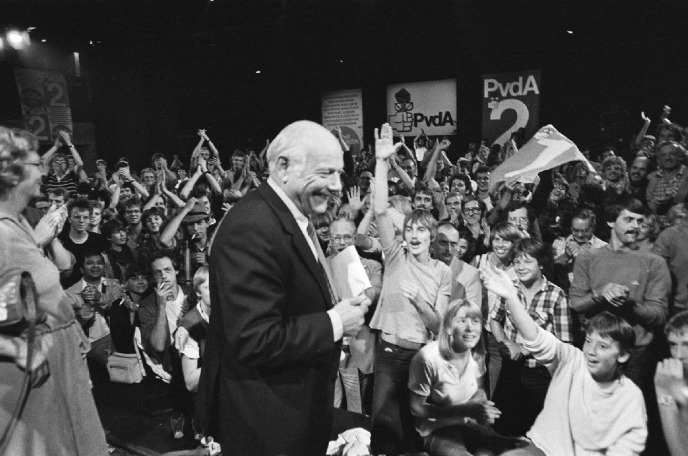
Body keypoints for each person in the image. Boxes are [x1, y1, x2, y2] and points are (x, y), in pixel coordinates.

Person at [198, 120, 370, 456]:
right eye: (326, 173)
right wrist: (335, 323)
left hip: (291, 415)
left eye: (339, 173)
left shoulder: (291, 219)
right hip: (267, 427)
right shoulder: (252, 227)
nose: (337, 185)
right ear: (282, 167)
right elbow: (253, 339)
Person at [0, 126, 108, 454]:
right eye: (37, 164)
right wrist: (18, 350)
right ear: (10, 171)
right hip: (30, 381)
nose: (44, 172)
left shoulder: (16, 222)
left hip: (57, 368)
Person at [481, 262, 647, 456]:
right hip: (539, 449)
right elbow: (535, 336)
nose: (591, 351)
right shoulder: (572, 361)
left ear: (623, 355)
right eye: (588, 341)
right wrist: (510, 296)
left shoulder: (630, 398)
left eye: (603, 346)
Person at [369, 123, 452, 454]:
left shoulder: (442, 272)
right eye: (410, 230)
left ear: (432, 235)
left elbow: (439, 326)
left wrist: (420, 303)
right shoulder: (394, 256)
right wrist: (381, 161)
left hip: (420, 356)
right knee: (384, 428)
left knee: (415, 431)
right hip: (388, 354)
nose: (414, 235)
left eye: (421, 230)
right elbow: (378, 209)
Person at [408, 300, 519, 456]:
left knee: (518, 450)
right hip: (437, 430)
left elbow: (479, 391)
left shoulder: (477, 355)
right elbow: (418, 409)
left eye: (475, 321)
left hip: (470, 426)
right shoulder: (427, 358)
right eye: (462, 321)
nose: (470, 328)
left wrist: (482, 404)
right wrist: (466, 409)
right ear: (447, 327)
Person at [489, 239, 575, 436]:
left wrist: (525, 349)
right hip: (510, 373)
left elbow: (564, 343)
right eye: (517, 262)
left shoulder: (556, 296)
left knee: (535, 435)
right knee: (504, 431)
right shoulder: (508, 289)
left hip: (540, 377)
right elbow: (494, 320)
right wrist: (505, 343)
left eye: (527, 261)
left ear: (542, 263)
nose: (521, 267)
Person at [654, 310, 688, 456]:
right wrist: (664, 394)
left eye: (687, 345)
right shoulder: (676, 377)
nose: (678, 354)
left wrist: (680, 395)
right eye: (673, 345)